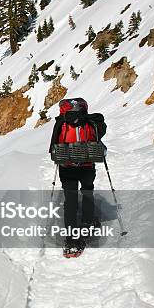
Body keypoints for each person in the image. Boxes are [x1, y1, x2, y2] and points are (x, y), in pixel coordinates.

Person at [49, 98, 106, 257]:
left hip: (67, 167)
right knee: (87, 191)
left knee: (70, 201)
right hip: (87, 166)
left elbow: (54, 143)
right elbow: (99, 134)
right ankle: (88, 223)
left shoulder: (62, 122)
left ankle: (71, 241)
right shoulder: (91, 121)